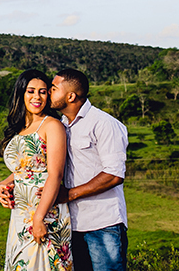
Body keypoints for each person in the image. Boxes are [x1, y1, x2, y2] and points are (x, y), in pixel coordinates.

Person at [49, 68, 128, 271]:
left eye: (54, 88)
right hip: (72, 224)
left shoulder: (104, 124)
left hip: (103, 223)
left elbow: (114, 175)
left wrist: (69, 194)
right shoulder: (60, 125)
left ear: (71, 96)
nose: (49, 92)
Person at [0, 70, 72, 271]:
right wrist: (2, 184)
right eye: (31, 91)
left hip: (44, 211)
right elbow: (25, 169)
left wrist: (38, 218)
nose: (37, 97)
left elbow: (55, 174)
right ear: (21, 94)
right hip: (20, 213)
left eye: (42, 92)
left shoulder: (52, 125)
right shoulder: (20, 128)